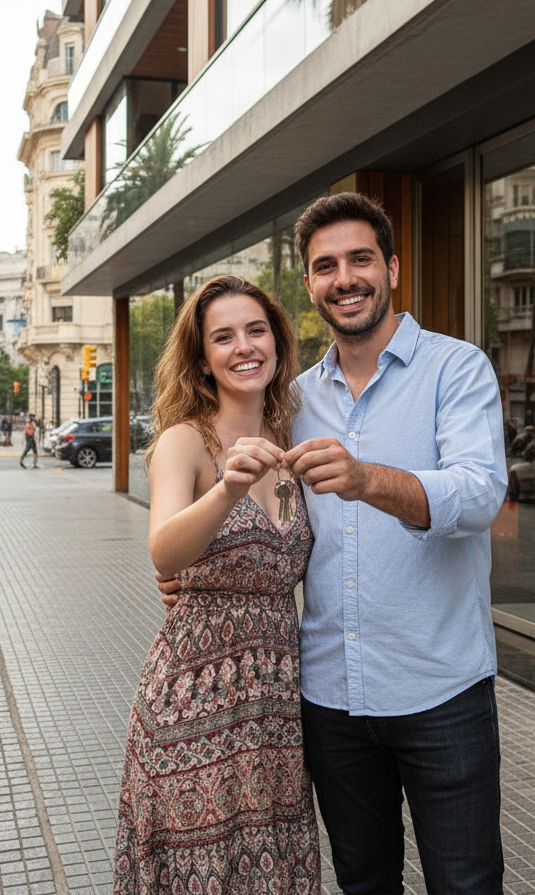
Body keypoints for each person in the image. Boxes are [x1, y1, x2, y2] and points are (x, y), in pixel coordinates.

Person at [161, 194, 507, 894]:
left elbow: (478, 495)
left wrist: (368, 479)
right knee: (362, 881)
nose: (344, 278)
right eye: (325, 266)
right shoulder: (293, 401)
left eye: (360, 260)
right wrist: (191, 573)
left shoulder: (456, 369)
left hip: (440, 688)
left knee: (467, 883)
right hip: (328, 699)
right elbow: (245, 525)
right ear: (311, 285)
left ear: (393, 268)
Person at [114, 276, 319, 895]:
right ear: (203, 359)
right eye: (223, 337)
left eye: (256, 330)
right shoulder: (186, 441)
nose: (244, 347)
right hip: (194, 707)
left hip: (276, 714)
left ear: (279, 343)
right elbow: (165, 548)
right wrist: (227, 489)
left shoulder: (295, 444)